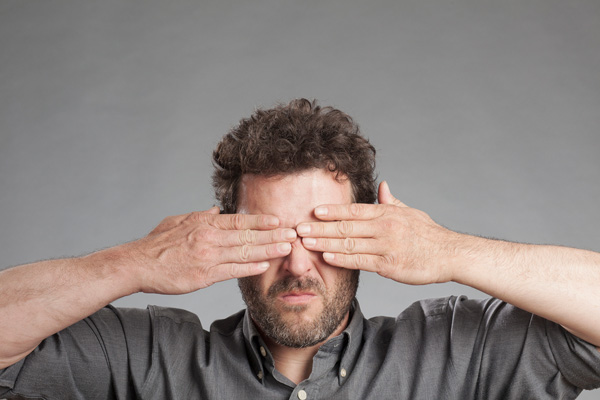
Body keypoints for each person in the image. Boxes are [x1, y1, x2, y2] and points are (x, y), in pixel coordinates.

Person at [0, 99, 599, 399]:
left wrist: (450, 250)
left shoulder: (454, 354)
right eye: (269, 235)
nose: (296, 264)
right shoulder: (149, 360)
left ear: (366, 236)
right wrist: (134, 262)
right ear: (224, 235)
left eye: (322, 235)